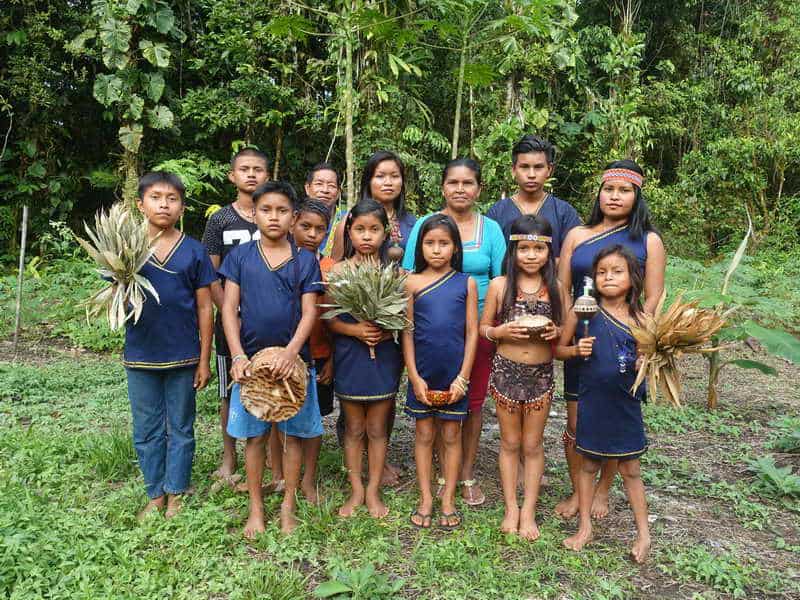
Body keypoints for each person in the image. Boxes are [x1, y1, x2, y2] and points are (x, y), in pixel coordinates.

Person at [556, 159, 666, 520]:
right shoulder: (577, 235)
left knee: (614, 417)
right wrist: (566, 328)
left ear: (637, 196)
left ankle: (603, 488)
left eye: (624, 190)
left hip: (623, 343)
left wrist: (641, 344)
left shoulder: (648, 241)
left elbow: (652, 297)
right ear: (599, 193)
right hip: (583, 337)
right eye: (608, 189)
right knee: (578, 419)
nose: (614, 196)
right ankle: (580, 490)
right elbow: (562, 286)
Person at [220, 181, 324, 537]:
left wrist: (291, 352)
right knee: (255, 439)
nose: (274, 217)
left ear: (294, 217)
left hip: (295, 366)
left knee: (294, 436)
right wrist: (236, 355)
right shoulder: (239, 258)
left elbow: (310, 312)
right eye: (266, 210)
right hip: (251, 368)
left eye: (282, 211)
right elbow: (229, 310)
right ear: (254, 213)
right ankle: (255, 509)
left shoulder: (306, 260)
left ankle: (288, 506)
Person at [402, 158, 506, 506]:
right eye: (453, 183)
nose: (460, 189)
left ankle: (465, 473)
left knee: (471, 404)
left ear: (479, 188)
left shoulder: (490, 229)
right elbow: (407, 278)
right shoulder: (425, 227)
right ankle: (434, 479)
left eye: (468, 183)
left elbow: (501, 278)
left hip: (475, 334)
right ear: (443, 187)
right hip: (430, 336)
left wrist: (496, 325)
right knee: (431, 408)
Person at [125, 172, 216, 520]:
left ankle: (176, 490)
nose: (164, 204)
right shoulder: (126, 247)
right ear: (140, 204)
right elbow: (112, 298)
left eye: (172, 198)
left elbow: (206, 306)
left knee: (181, 426)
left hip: (185, 355)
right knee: (146, 428)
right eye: (156, 197)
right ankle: (154, 492)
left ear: (181, 206)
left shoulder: (193, 250)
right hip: (141, 355)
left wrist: (205, 359)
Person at [556, 245, 651, 563]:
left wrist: (645, 362)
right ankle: (584, 528)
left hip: (626, 404)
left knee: (631, 469)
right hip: (592, 401)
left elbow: (653, 356)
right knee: (587, 466)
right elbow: (558, 349)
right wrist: (575, 350)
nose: (608, 276)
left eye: (617, 271)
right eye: (602, 272)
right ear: (592, 278)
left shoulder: (642, 317)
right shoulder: (583, 310)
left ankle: (643, 535)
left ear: (633, 277)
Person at [481, 215, 566, 539]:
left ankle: (528, 510)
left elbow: (564, 329)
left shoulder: (556, 288)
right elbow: (483, 328)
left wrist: (554, 332)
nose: (531, 255)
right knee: (510, 442)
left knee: (532, 444)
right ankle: (510, 507)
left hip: (541, 376)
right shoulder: (501, 285)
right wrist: (499, 331)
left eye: (538, 249)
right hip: (505, 372)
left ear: (549, 252)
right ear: (513, 251)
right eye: (524, 249)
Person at [326, 199, 403, 518]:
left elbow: (403, 317)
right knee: (354, 426)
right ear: (348, 232)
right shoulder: (339, 271)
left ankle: (373, 490)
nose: (367, 236)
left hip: (383, 357)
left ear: (385, 234)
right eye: (360, 229)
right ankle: (356, 489)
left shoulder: (393, 272)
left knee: (377, 427)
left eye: (374, 229)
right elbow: (329, 319)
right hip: (350, 355)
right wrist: (355, 331)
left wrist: (385, 330)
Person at [402, 214, 479, 529]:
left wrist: (463, 377)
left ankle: (448, 496)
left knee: (451, 434)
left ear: (455, 247)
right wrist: (414, 377)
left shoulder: (467, 282)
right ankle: (426, 497)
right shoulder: (410, 282)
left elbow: (472, 332)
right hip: (423, 372)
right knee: (423, 433)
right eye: (430, 243)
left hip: (454, 375)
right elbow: (406, 331)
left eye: (444, 243)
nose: (436, 250)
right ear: (420, 246)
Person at [201, 147, 271, 482]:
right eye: (245, 169)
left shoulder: (275, 215)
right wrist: (228, 312)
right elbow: (210, 274)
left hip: (270, 323)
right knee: (230, 391)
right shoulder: (220, 220)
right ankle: (230, 458)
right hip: (230, 322)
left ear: (267, 175)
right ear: (232, 176)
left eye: (258, 169)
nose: (252, 174)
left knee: (271, 385)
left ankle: (271, 459)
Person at [291, 198, 335, 503]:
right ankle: (283, 477)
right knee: (282, 416)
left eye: (320, 229)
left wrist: (330, 356)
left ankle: (308, 478)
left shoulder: (329, 267)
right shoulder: (282, 261)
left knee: (313, 420)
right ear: (293, 222)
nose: (312, 234)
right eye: (305, 226)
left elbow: (334, 315)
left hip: (318, 353)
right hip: (284, 355)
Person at [486, 134, 581, 258]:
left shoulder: (565, 213)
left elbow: (572, 259)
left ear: (549, 170)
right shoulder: (497, 213)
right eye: (524, 167)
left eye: (538, 167)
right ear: (513, 170)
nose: (531, 174)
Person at [330, 150, 417, 262]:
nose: (388, 182)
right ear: (369, 181)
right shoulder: (350, 220)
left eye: (395, 176)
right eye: (380, 176)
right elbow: (334, 269)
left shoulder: (412, 223)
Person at [303, 162, 346, 257]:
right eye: (319, 184)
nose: (325, 190)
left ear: (338, 192)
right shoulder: (295, 219)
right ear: (307, 188)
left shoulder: (346, 220)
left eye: (331, 185)